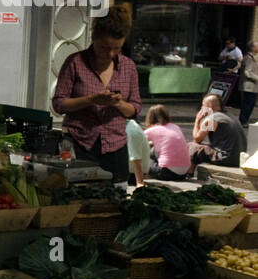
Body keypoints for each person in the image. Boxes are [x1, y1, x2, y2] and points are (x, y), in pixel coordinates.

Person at [51, 15, 142, 182]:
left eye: (117, 48)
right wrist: (91, 99)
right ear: (94, 39)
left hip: (115, 146)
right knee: (80, 197)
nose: (111, 53)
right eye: (105, 47)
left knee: (115, 199)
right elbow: (58, 104)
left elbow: (135, 109)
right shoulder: (75, 62)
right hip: (80, 144)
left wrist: (118, 103)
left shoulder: (128, 66)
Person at [189, 93, 244, 169]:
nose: (201, 107)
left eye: (203, 105)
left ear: (209, 107)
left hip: (225, 158)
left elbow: (197, 139)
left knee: (192, 146)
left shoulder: (212, 119)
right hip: (238, 158)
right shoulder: (231, 116)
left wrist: (197, 120)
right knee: (202, 147)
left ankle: (189, 173)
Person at [143, 105, 190, 180]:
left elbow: (137, 140)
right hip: (183, 173)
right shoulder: (175, 127)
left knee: (142, 158)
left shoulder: (154, 129)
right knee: (153, 151)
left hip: (166, 172)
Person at [126, 117, 150, 187]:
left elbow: (136, 158)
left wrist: (139, 182)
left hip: (132, 175)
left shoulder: (132, 131)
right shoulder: (130, 125)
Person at [241, 42, 258, 129]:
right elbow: (247, 72)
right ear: (253, 48)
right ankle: (243, 121)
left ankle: (244, 120)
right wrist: (257, 78)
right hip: (249, 86)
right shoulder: (248, 58)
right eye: (257, 46)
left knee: (250, 105)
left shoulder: (251, 57)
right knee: (247, 105)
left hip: (252, 86)